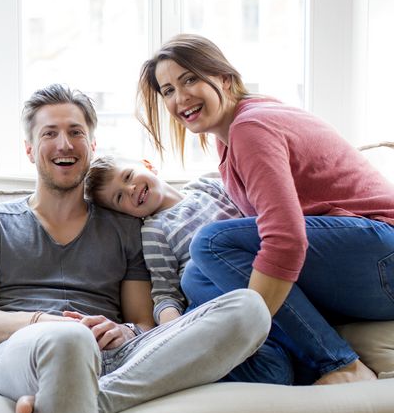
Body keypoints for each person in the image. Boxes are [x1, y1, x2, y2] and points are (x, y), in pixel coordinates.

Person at [0, 83, 271, 413]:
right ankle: (68, 391)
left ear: (92, 144)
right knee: (69, 340)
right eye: (49, 133)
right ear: (30, 149)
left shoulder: (125, 226)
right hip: (21, 353)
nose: (64, 143)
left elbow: (145, 323)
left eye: (75, 132)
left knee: (248, 308)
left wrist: (125, 330)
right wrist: (44, 324)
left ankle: (78, 404)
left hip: (115, 359)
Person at [136, 33, 394, 386]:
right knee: (195, 275)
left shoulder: (250, 127)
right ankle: (277, 361)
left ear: (224, 78)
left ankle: (339, 365)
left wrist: (246, 320)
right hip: (358, 268)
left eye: (190, 79)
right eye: (167, 90)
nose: (180, 98)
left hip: (383, 254)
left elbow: (285, 239)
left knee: (210, 244)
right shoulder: (228, 141)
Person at [84, 156, 300, 384]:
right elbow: (165, 294)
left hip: (259, 281)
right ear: (124, 214)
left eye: (128, 176)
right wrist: (176, 331)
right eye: (119, 197)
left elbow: (256, 221)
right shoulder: (154, 231)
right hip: (217, 304)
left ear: (148, 165)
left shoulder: (207, 186)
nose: (130, 189)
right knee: (278, 372)